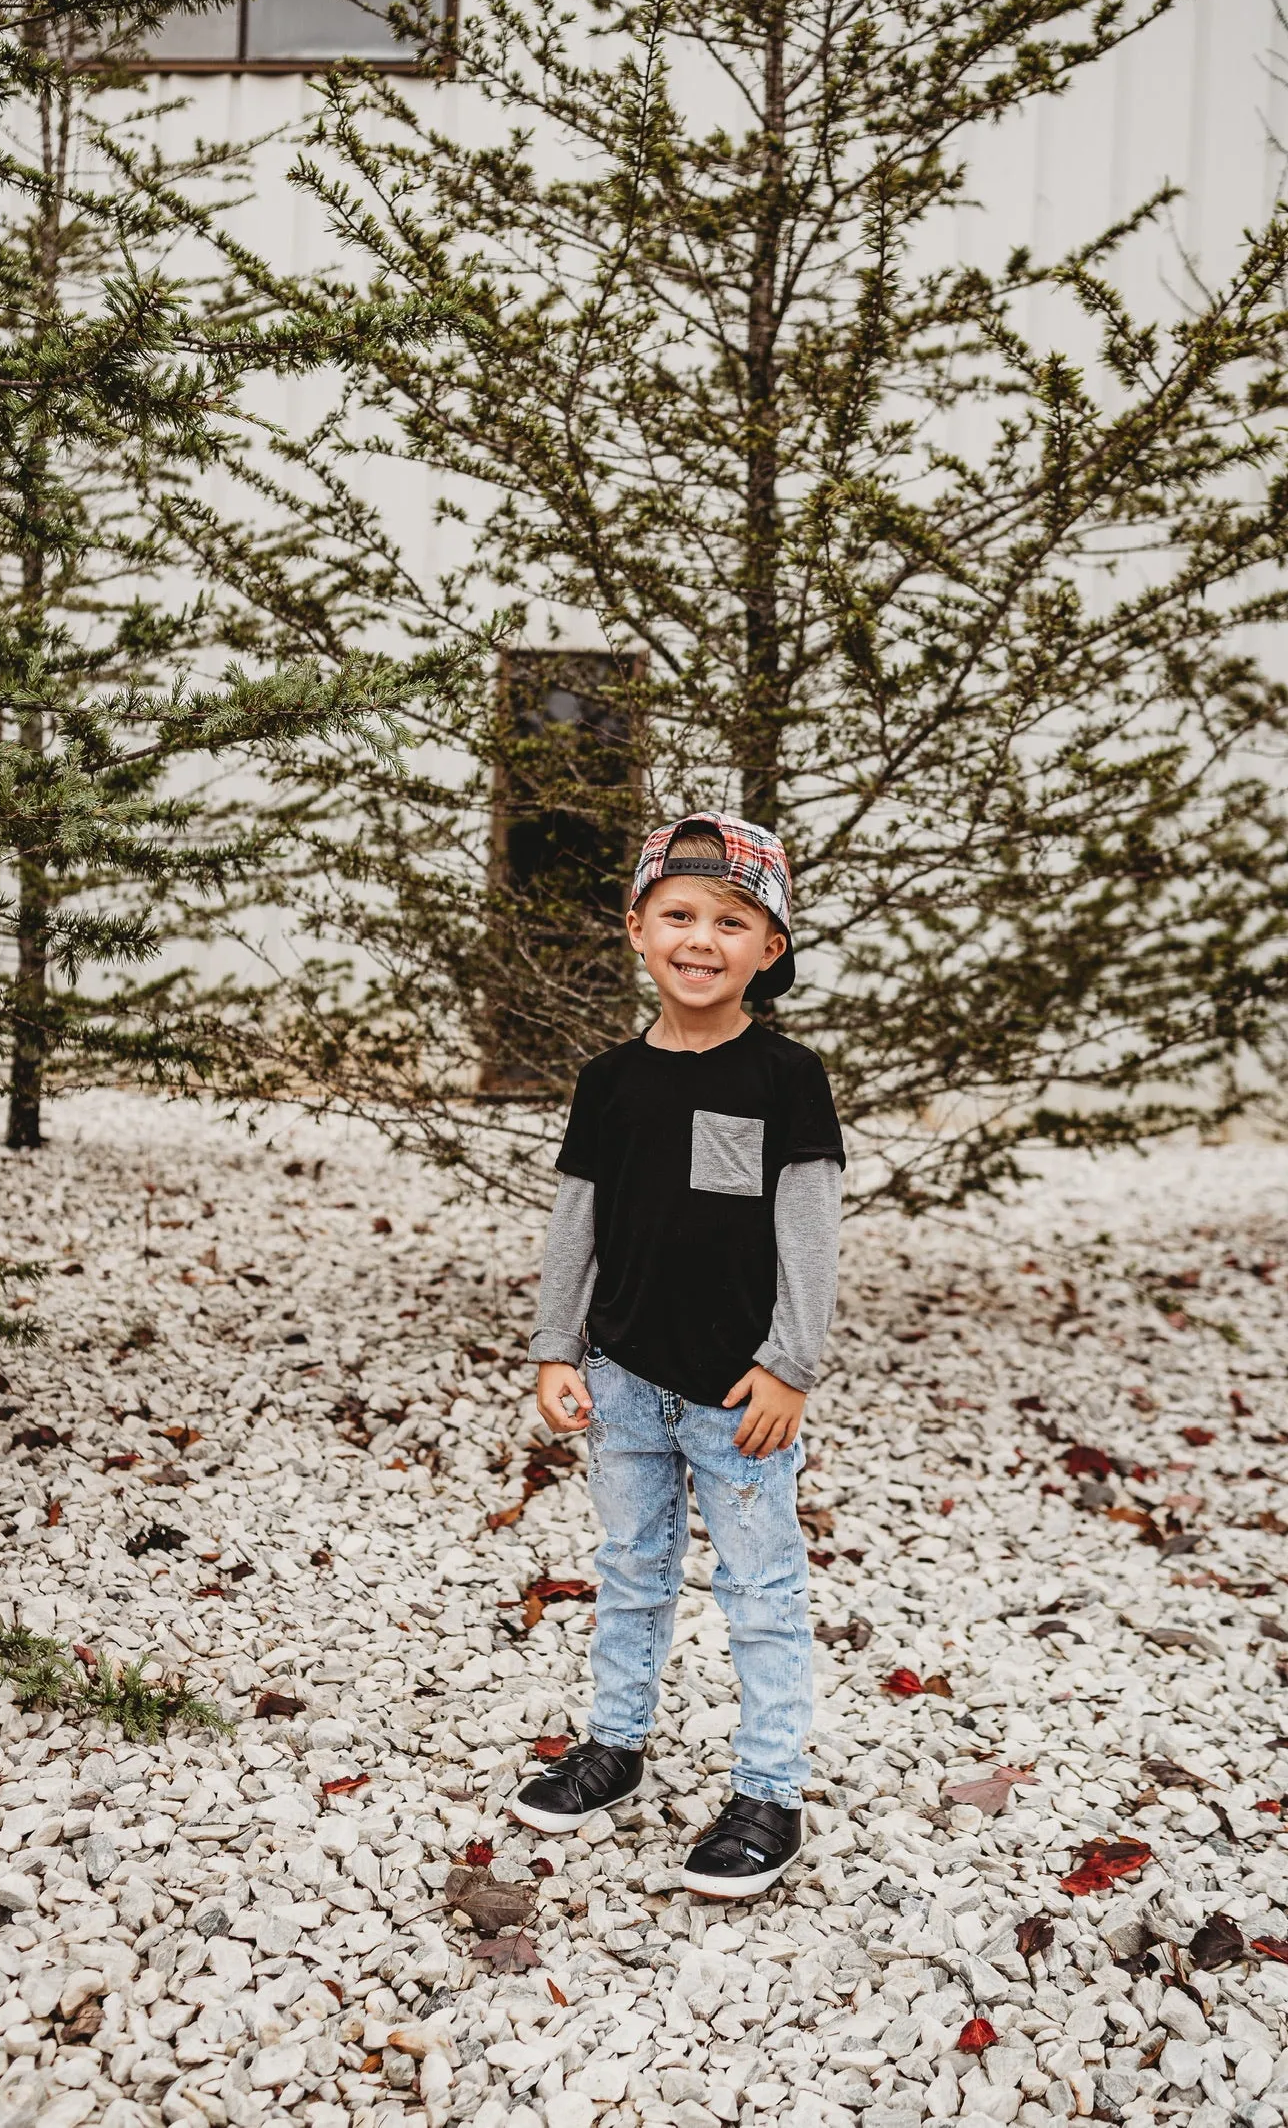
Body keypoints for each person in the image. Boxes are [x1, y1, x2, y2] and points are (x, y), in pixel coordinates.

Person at [509, 813, 844, 1899]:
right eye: (681, 915)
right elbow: (578, 1219)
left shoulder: (785, 1077)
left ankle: (768, 1790)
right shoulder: (609, 1080)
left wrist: (792, 1362)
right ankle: (614, 1746)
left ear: (770, 947)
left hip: (738, 1390)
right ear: (638, 930)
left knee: (761, 1585)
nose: (703, 938)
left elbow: (809, 1231)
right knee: (631, 1568)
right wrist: (559, 1345)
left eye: (733, 920)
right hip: (622, 1375)